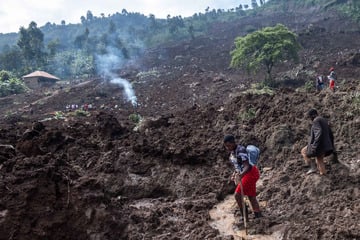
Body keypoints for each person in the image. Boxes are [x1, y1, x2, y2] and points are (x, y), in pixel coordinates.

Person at [223, 135, 263, 221]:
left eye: (229, 145)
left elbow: (247, 166)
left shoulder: (240, 150)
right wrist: (235, 173)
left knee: (237, 195)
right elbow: (238, 166)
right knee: (251, 196)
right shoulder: (233, 153)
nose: (228, 148)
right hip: (248, 173)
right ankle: (258, 215)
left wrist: (241, 175)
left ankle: (245, 217)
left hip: (250, 173)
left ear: (233, 142)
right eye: (226, 146)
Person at [301, 109, 335, 175]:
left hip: (319, 145)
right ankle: (323, 174)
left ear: (312, 115)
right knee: (319, 160)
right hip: (325, 145)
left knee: (303, 151)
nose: (310, 119)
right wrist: (331, 145)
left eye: (309, 117)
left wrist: (314, 146)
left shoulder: (316, 121)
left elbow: (319, 133)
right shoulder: (324, 120)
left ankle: (312, 167)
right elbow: (330, 134)